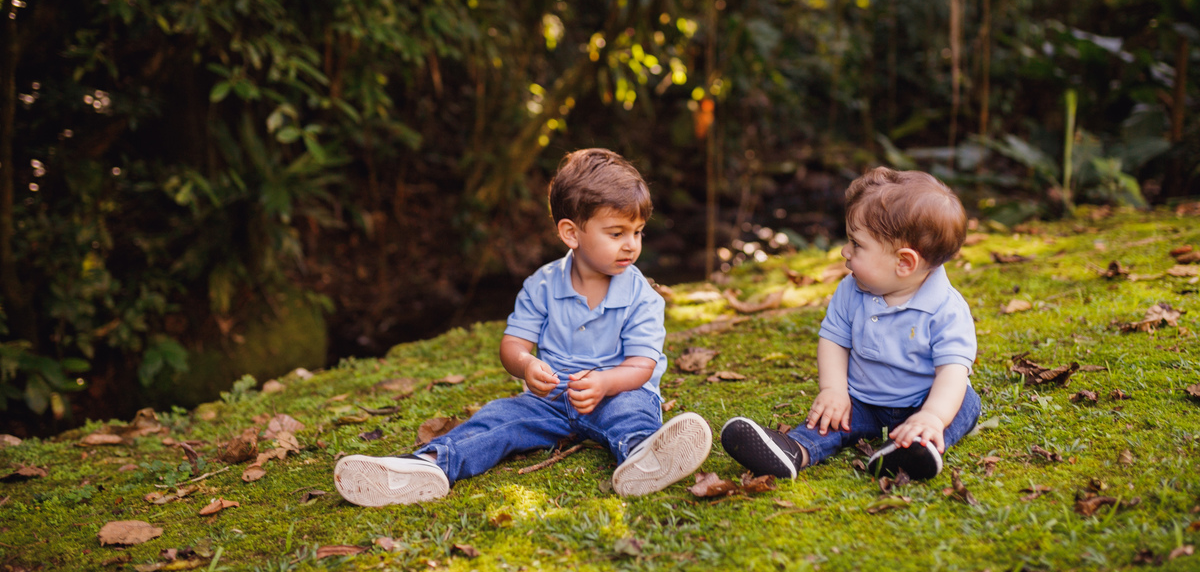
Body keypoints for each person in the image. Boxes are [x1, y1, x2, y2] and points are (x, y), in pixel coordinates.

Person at [334, 148, 712, 506]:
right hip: (549, 401)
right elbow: (513, 345)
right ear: (571, 233)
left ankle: (643, 455)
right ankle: (429, 464)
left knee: (631, 413)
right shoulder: (542, 285)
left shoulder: (642, 297)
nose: (631, 244)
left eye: (638, 231)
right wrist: (528, 366)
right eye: (617, 234)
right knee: (497, 419)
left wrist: (605, 384)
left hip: (617, 391)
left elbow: (641, 366)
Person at [721, 167, 980, 481]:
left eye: (856, 245)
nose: (845, 251)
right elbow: (833, 340)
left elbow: (952, 373)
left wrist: (932, 415)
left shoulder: (946, 310)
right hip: (861, 401)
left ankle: (914, 448)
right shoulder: (851, 289)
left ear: (904, 262)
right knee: (830, 418)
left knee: (963, 403)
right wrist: (834, 390)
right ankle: (793, 451)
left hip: (923, 398)